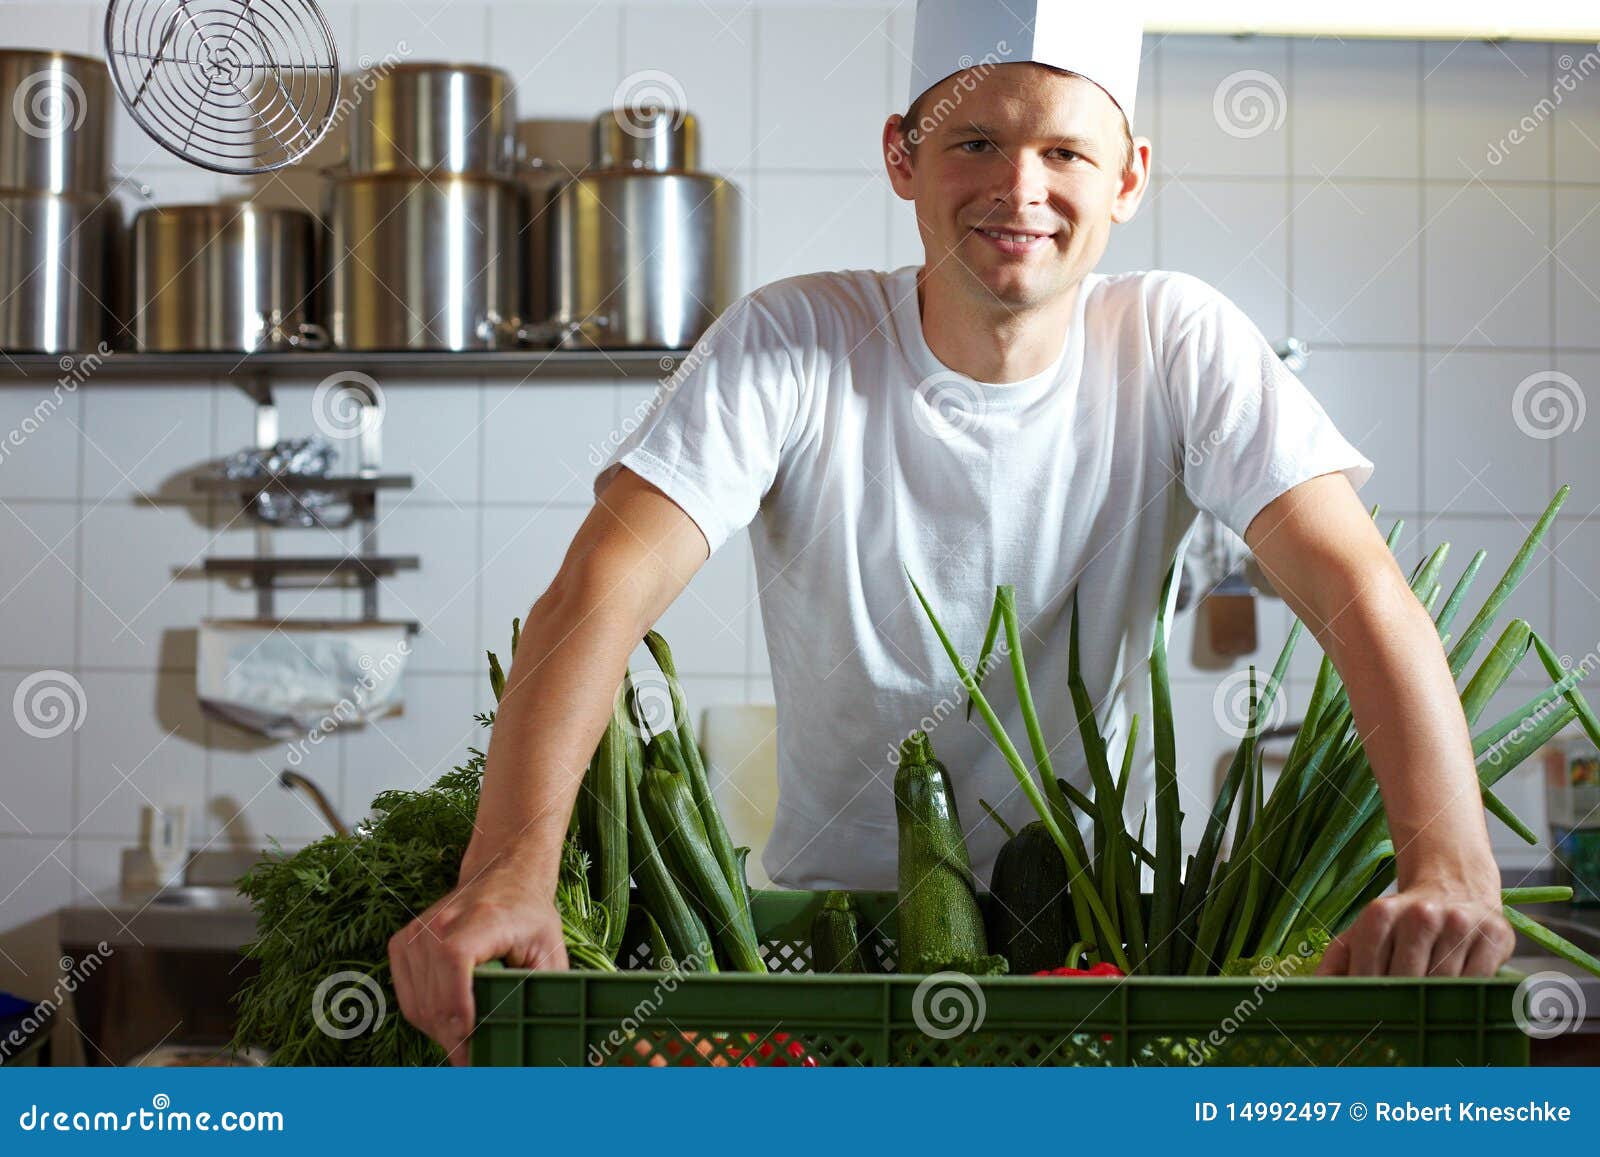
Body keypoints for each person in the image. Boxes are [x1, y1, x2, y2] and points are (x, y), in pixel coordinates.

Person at [389, 2, 1514, 1064]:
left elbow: (1357, 590)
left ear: (1127, 178)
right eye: (973, 141)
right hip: (827, 942)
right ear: (901, 158)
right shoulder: (795, 339)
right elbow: (600, 593)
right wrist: (505, 871)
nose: (1018, 187)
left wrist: (1453, 867)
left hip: (1085, 947)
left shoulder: (1177, 343)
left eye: (1064, 153)